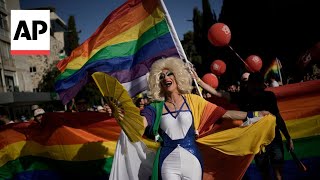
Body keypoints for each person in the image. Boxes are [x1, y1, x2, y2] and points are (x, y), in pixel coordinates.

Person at [110, 57, 276, 180]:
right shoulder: (154, 108)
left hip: (193, 159)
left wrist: (255, 114)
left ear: (177, 76)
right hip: (167, 161)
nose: (166, 78)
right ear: (158, 83)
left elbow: (225, 113)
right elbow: (140, 125)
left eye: (169, 74)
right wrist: (124, 119)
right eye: (161, 77)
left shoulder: (193, 100)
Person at [243, 72, 294, 180]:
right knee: (265, 174)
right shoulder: (244, 99)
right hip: (258, 141)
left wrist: (288, 137)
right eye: (253, 83)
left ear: (262, 84)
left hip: (274, 138)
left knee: (278, 174)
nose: (255, 86)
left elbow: (278, 118)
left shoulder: (269, 96)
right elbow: (221, 95)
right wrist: (200, 81)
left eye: (257, 83)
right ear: (250, 84)